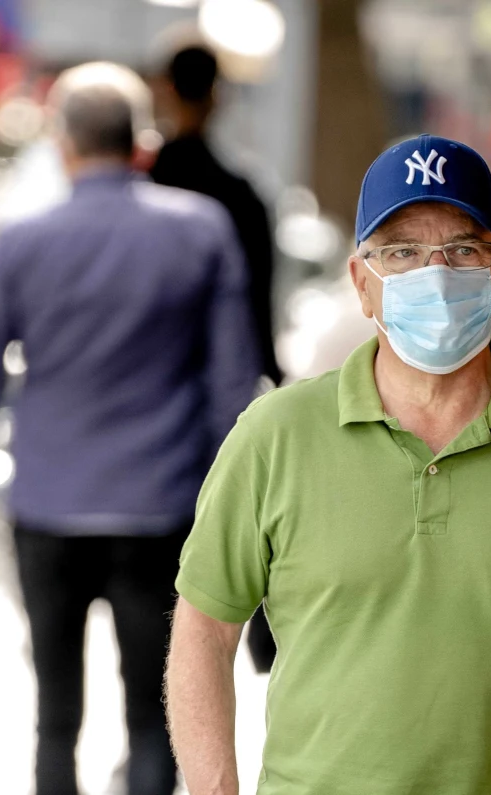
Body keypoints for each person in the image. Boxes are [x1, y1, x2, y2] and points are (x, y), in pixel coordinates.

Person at [165, 135, 491, 795]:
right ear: (362, 283)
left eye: (463, 249)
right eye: (401, 251)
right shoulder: (275, 434)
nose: (433, 274)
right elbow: (205, 629)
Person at [0, 62, 260, 795]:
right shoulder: (201, 231)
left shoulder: (22, 241)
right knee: (154, 716)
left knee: (55, 718)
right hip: (161, 507)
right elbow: (231, 390)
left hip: (49, 507)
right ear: (142, 143)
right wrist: (237, 519)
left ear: (63, 142)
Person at [151, 42, 282, 674]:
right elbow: (261, 316)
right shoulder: (242, 195)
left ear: (163, 90)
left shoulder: (145, 187)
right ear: (217, 97)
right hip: (222, 407)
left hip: (147, 408)